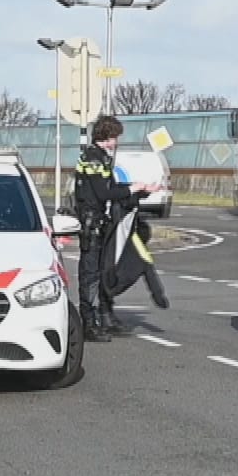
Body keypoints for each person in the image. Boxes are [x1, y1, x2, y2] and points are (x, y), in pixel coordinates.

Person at [72, 115, 159, 340]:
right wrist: (132, 189)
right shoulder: (92, 159)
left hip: (100, 225)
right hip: (91, 227)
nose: (117, 142)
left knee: (102, 272)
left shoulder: (100, 158)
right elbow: (103, 192)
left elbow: (110, 187)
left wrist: (139, 189)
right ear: (106, 137)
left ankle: (103, 316)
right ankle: (89, 324)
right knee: (90, 276)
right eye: (115, 137)